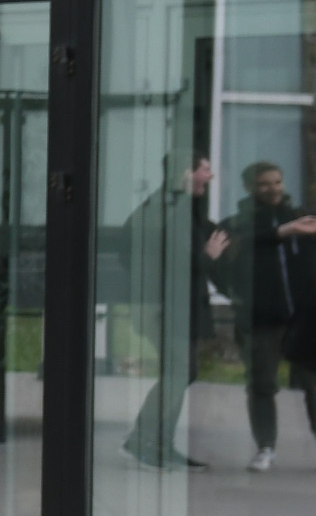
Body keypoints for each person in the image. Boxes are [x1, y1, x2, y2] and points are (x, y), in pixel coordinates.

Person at [123, 154, 227, 471]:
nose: (210, 176)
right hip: (164, 307)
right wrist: (207, 256)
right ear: (185, 173)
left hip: (176, 306)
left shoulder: (181, 208)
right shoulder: (167, 208)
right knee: (179, 371)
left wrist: (281, 231)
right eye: (204, 169)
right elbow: (175, 261)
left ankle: (160, 443)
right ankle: (143, 440)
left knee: (183, 371)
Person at [219, 160, 316, 472]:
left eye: (277, 182)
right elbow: (229, 254)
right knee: (262, 383)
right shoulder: (238, 223)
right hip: (261, 319)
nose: (273, 189)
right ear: (249, 187)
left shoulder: (301, 218)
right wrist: (237, 295)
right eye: (264, 184)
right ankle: (265, 447)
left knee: (313, 383)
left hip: (304, 318)